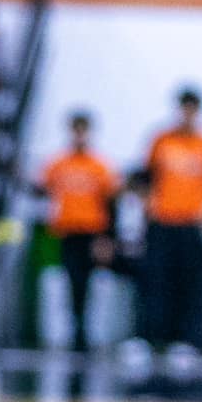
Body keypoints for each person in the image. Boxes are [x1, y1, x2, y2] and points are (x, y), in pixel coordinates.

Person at [126, 88, 202, 383]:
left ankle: (182, 342)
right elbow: (143, 176)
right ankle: (145, 339)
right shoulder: (161, 140)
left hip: (192, 224)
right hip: (161, 222)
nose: (187, 114)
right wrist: (147, 201)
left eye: (192, 109)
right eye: (184, 108)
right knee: (153, 281)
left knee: (187, 283)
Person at [39, 113, 122, 353]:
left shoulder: (99, 166)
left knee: (88, 281)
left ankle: (86, 330)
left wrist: (107, 237)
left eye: (83, 130)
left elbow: (111, 202)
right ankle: (73, 328)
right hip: (67, 230)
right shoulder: (58, 164)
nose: (79, 135)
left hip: (91, 231)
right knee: (70, 279)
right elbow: (42, 190)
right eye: (76, 130)